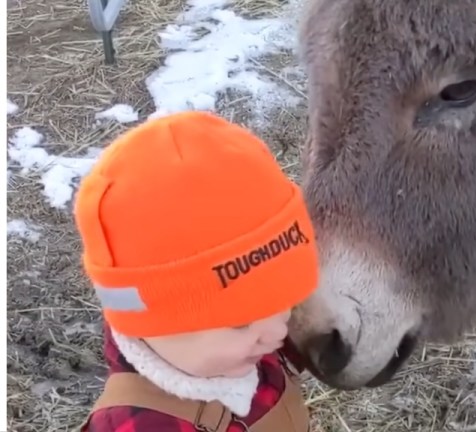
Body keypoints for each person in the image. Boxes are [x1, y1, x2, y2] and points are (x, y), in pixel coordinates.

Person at [74, 111, 319, 432]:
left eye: (283, 298)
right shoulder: (141, 425)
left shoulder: (235, 345)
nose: (277, 333)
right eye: (241, 322)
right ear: (158, 324)